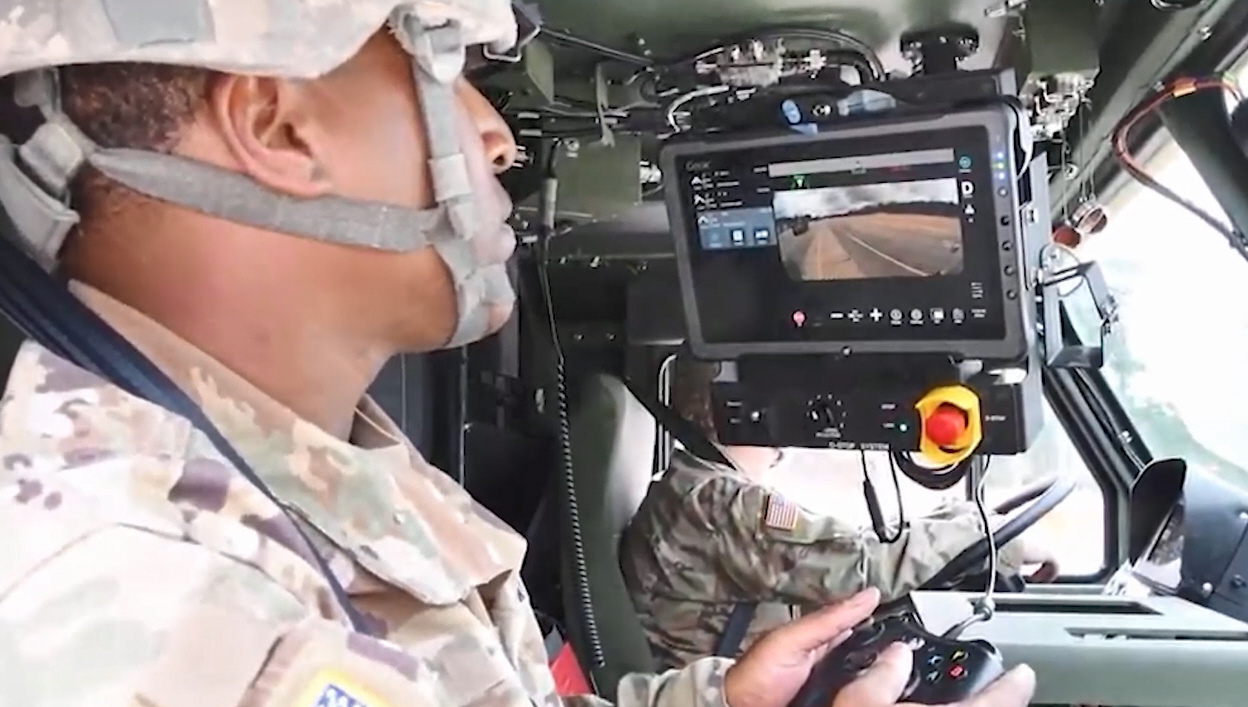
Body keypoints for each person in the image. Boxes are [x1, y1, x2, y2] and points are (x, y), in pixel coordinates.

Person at [0, 2, 1035, 706]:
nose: (498, 134)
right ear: (278, 127)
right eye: (448, 67)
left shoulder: (290, 476)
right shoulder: (138, 593)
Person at [621, 356, 1060, 669]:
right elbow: (868, 569)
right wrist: (1005, 539)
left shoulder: (695, 488)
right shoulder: (720, 505)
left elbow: (844, 551)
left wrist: (966, 522)